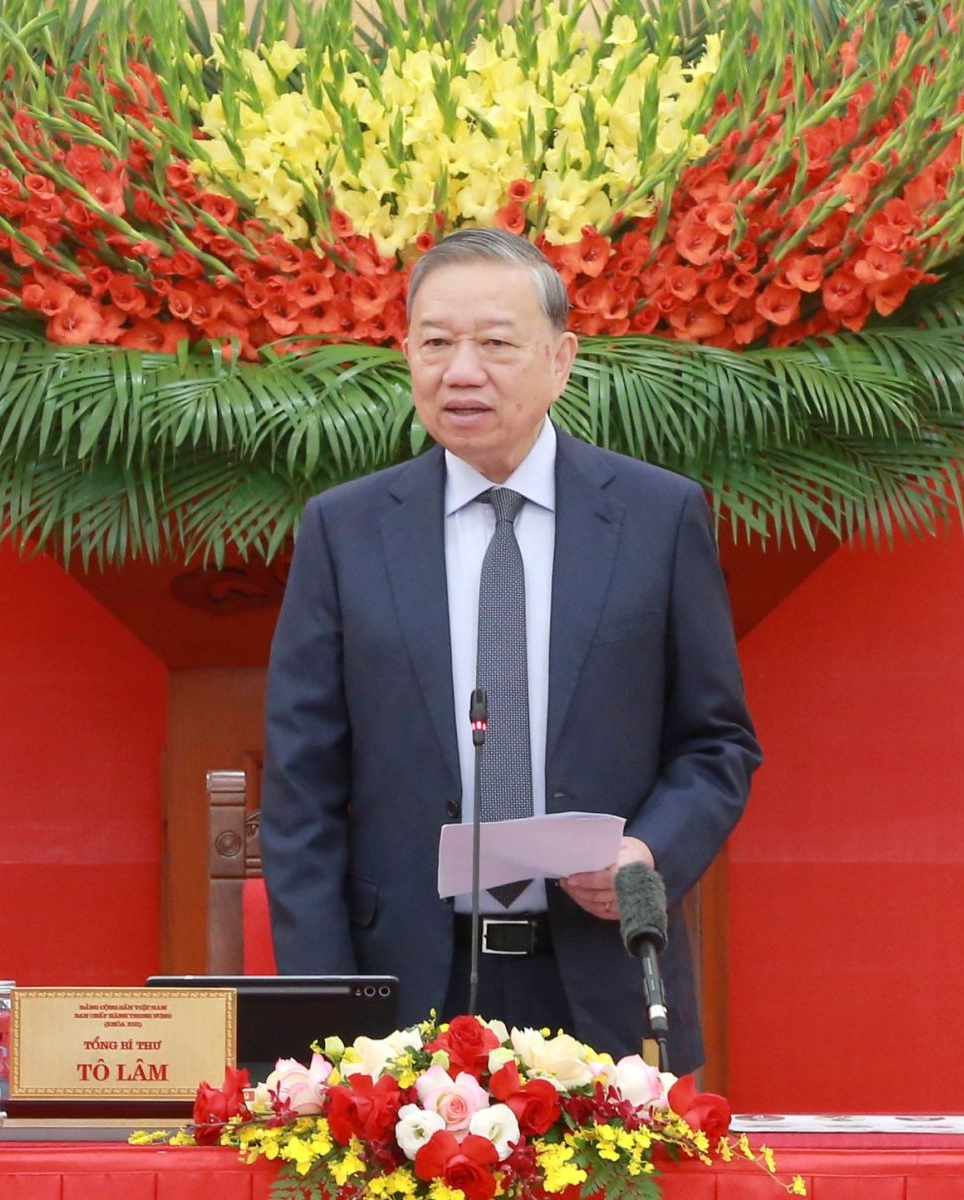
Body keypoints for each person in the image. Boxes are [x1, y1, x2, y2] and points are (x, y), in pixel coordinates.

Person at [260, 228, 759, 1071]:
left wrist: (646, 858)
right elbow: (300, 789)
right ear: (406, 356)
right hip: (401, 990)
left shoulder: (655, 518)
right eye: (435, 344)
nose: (461, 371)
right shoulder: (346, 531)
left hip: (598, 978)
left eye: (494, 344)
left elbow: (715, 742)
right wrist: (326, 1016)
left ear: (560, 361)